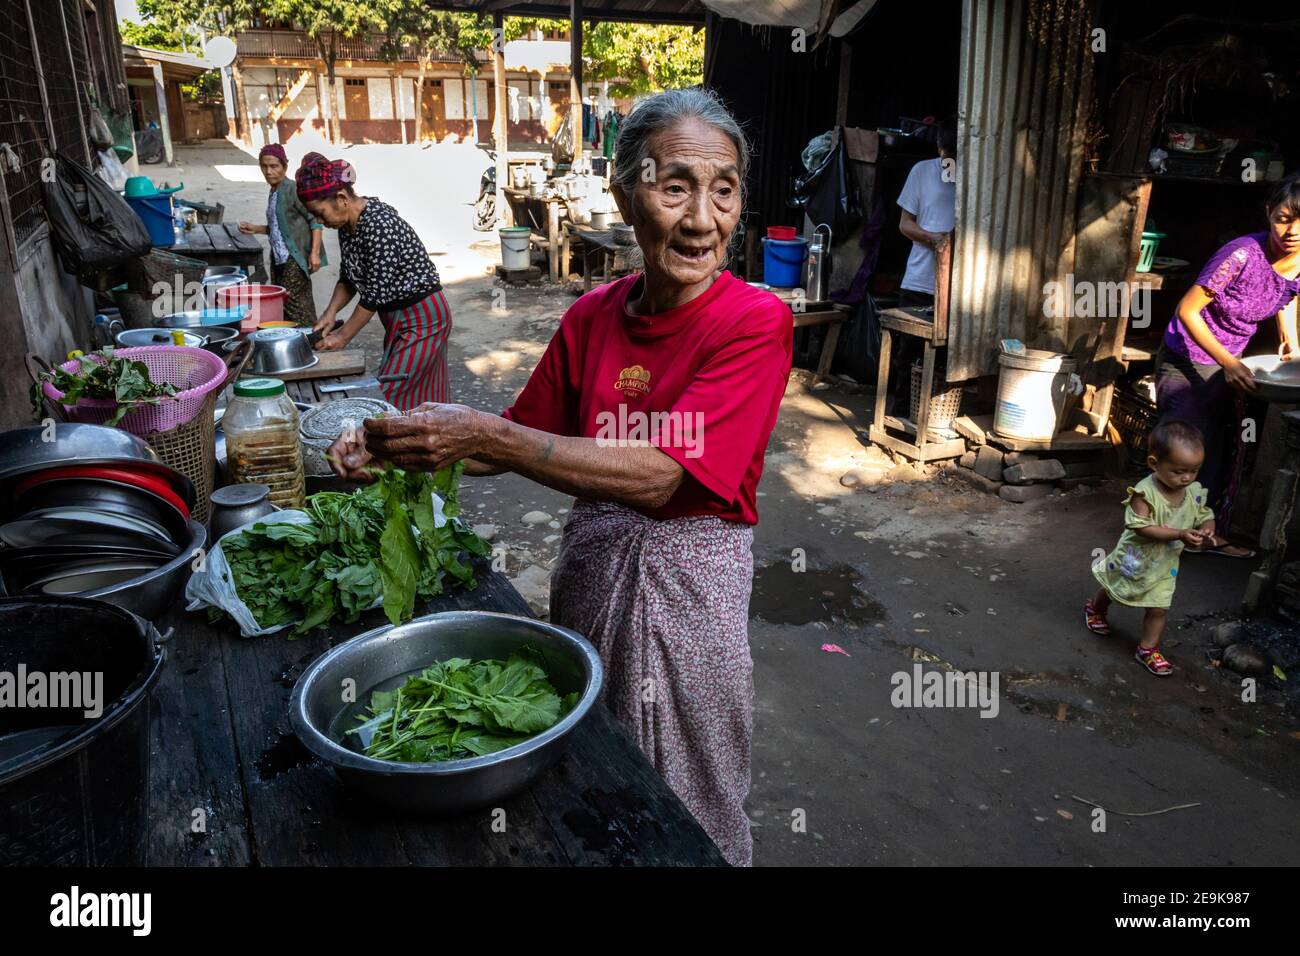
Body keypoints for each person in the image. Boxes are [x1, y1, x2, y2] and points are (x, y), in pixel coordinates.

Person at [327, 88, 793, 867]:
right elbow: (518, 436)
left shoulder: (753, 322)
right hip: (592, 565)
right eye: (674, 185)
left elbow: (660, 479)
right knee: (594, 764)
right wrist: (400, 443)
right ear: (624, 193)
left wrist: (493, 435)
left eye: (724, 189)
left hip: (690, 589)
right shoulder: (592, 316)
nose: (703, 220)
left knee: (694, 787)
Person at [1156, 174, 1300, 553]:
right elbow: (1187, 310)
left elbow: (1287, 295)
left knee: (1219, 453)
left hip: (1228, 363)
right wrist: (1229, 363)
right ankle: (1154, 538)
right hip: (1187, 360)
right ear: (1268, 212)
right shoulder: (1241, 254)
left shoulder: (1299, 260)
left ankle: (1205, 536)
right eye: (1283, 218)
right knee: (1181, 453)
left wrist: (1291, 342)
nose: (1291, 231)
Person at [295, 156, 452, 410]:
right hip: (397, 318)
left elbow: (375, 296)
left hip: (424, 319)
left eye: (319, 214)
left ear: (342, 199)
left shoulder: (378, 224)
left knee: (389, 390)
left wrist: (342, 337)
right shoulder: (348, 226)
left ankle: (430, 441)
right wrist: (329, 313)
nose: (321, 222)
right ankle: (419, 443)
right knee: (412, 394)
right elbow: (348, 277)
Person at [1086, 420, 1215, 676]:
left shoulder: (1193, 491)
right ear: (1154, 464)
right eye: (1179, 471)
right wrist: (1179, 533)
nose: (1187, 478)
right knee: (1116, 587)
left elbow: (1203, 513)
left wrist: (1208, 527)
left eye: (1194, 471)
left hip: (1166, 563)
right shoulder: (1144, 493)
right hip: (1135, 557)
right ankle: (1095, 608)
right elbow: (1140, 527)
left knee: (1159, 606)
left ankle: (1147, 648)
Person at [890, 116, 957, 412]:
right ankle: (901, 417)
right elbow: (904, 224)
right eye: (946, 153)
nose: (948, 160)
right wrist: (935, 239)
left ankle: (936, 420)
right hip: (918, 281)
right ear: (939, 146)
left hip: (958, 289)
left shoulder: (974, 179)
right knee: (908, 357)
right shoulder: (922, 172)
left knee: (947, 362)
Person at [237, 144, 324, 327]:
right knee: (294, 302)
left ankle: (306, 341)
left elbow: (315, 221)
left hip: (295, 257)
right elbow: (281, 227)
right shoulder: (274, 191)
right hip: (279, 258)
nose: (269, 171)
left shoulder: (293, 189)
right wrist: (257, 229)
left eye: (274, 166)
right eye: (264, 166)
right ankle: (311, 336)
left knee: (291, 302)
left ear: (285, 167)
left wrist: (314, 253)